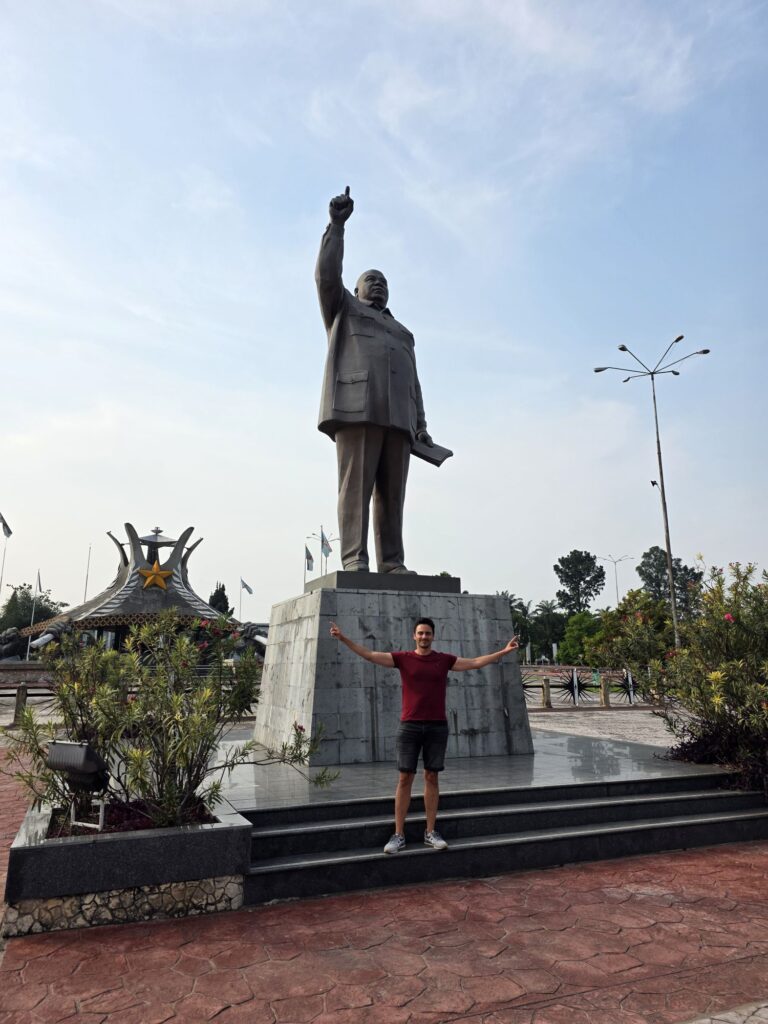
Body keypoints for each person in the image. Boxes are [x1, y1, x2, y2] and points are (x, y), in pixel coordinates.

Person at [316, 186, 433, 574]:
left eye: (384, 280)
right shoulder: (344, 310)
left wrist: (421, 425)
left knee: (392, 495)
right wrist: (337, 227)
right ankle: (354, 558)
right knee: (355, 488)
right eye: (371, 279)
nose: (379, 284)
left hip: (399, 419)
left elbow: (414, 383)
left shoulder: (402, 332)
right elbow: (326, 276)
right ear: (356, 290)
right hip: (358, 409)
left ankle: (393, 562)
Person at [329, 617, 519, 853]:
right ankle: (398, 834)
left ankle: (430, 831)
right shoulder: (403, 658)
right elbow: (369, 655)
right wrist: (343, 638)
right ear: (414, 636)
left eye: (427, 633)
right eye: (420, 633)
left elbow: (474, 662)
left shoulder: (444, 660)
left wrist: (504, 651)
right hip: (409, 726)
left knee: (432, 777)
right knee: (404, 778)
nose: (424, 637)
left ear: (433, 636)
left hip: (437, 727)